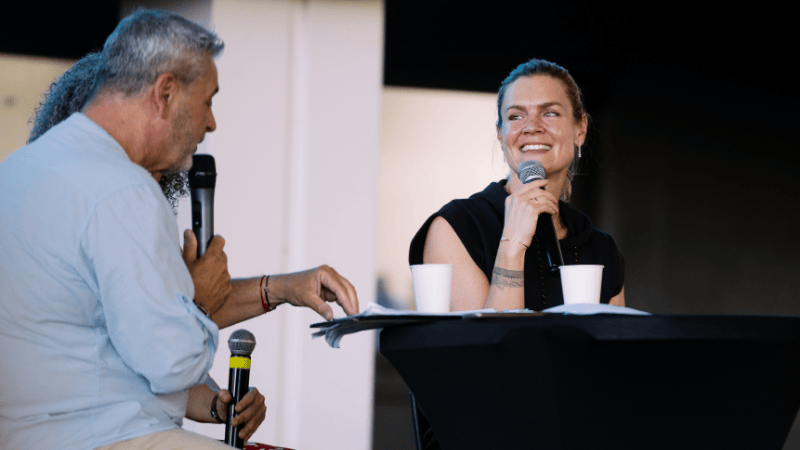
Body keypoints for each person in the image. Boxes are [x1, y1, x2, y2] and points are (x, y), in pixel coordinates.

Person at [0, 9, 355, 450]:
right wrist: (198, 299)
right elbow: (170, 361)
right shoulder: (121, 189)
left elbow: (109, 335)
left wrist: (266, 294)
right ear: (165, 93)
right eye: (208, 101)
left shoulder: (16, 172)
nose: (211, 123)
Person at [410, 58, 625, 313]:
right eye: (516, 116)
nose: (532, 126)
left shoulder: (602, 248)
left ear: (580, 129)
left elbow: (612, 349)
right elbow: (484, 348)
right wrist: (511, 248)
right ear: (501, 135)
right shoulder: (456, 228)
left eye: (550, 113)